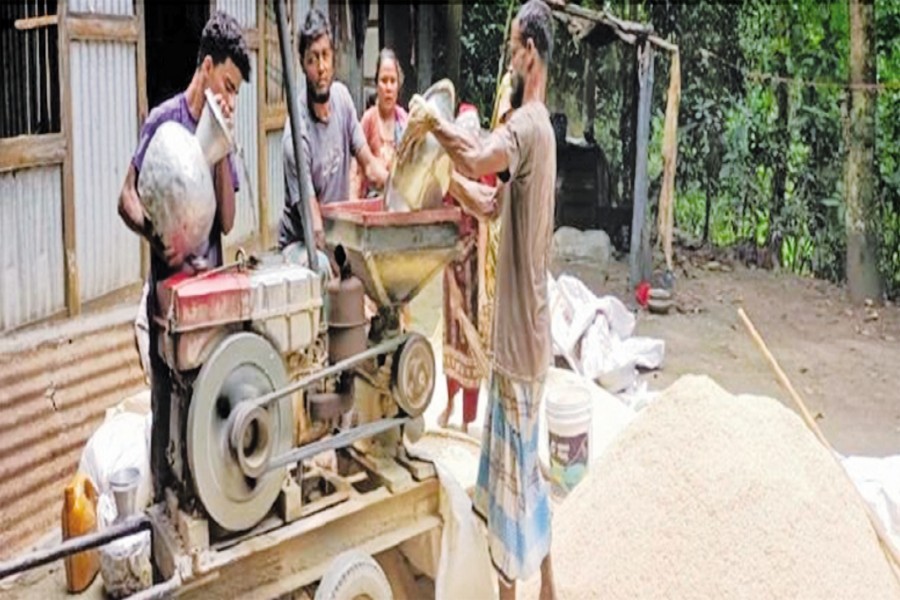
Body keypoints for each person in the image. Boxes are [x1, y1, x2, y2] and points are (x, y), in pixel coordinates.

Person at [403, 1, 557, 597]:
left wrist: (433, 125)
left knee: (514, 488)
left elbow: (474, 153)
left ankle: (513, 591)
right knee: (521, 473)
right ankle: (547, 583)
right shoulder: (538, 129)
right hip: (526, 336)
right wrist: (447, 186)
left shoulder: (524, 126)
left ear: (530, 53)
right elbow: (493, 203)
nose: (510, 56)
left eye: (514, 45)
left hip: (520, 342)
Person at [118, 10, 250, 501]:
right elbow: (126, 196)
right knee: (164, 408)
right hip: (166, 300)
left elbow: (229, 221)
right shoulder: (163, 121)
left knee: (206, 410)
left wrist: (220, 148)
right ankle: (160, 509)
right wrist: (153, 232)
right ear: (208, 66)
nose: (231, 97)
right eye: (229, 84)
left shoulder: (221, 137)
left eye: (237, 91)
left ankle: (206, 507)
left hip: (206, 301)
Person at [279, 8, 388, 262]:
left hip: (336, 230)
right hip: (300, 243)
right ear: (303, 65)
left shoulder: (342, 99)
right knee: (327, 266)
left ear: (333, 58)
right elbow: (314, 224)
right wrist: (344, 265)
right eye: (313, 59)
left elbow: (371, 168)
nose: (321, 67)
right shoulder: (296, 135)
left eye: (325, 56)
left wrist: (400, 186)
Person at [351, 48, 408, 198]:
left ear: (398, 85)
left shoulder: (405, 121)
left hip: (399, 202)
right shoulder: (368, 120)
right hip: (371, 205)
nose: (388, 88)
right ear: (376, 84)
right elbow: (355, 172)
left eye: (392, 81)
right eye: (384, 81)